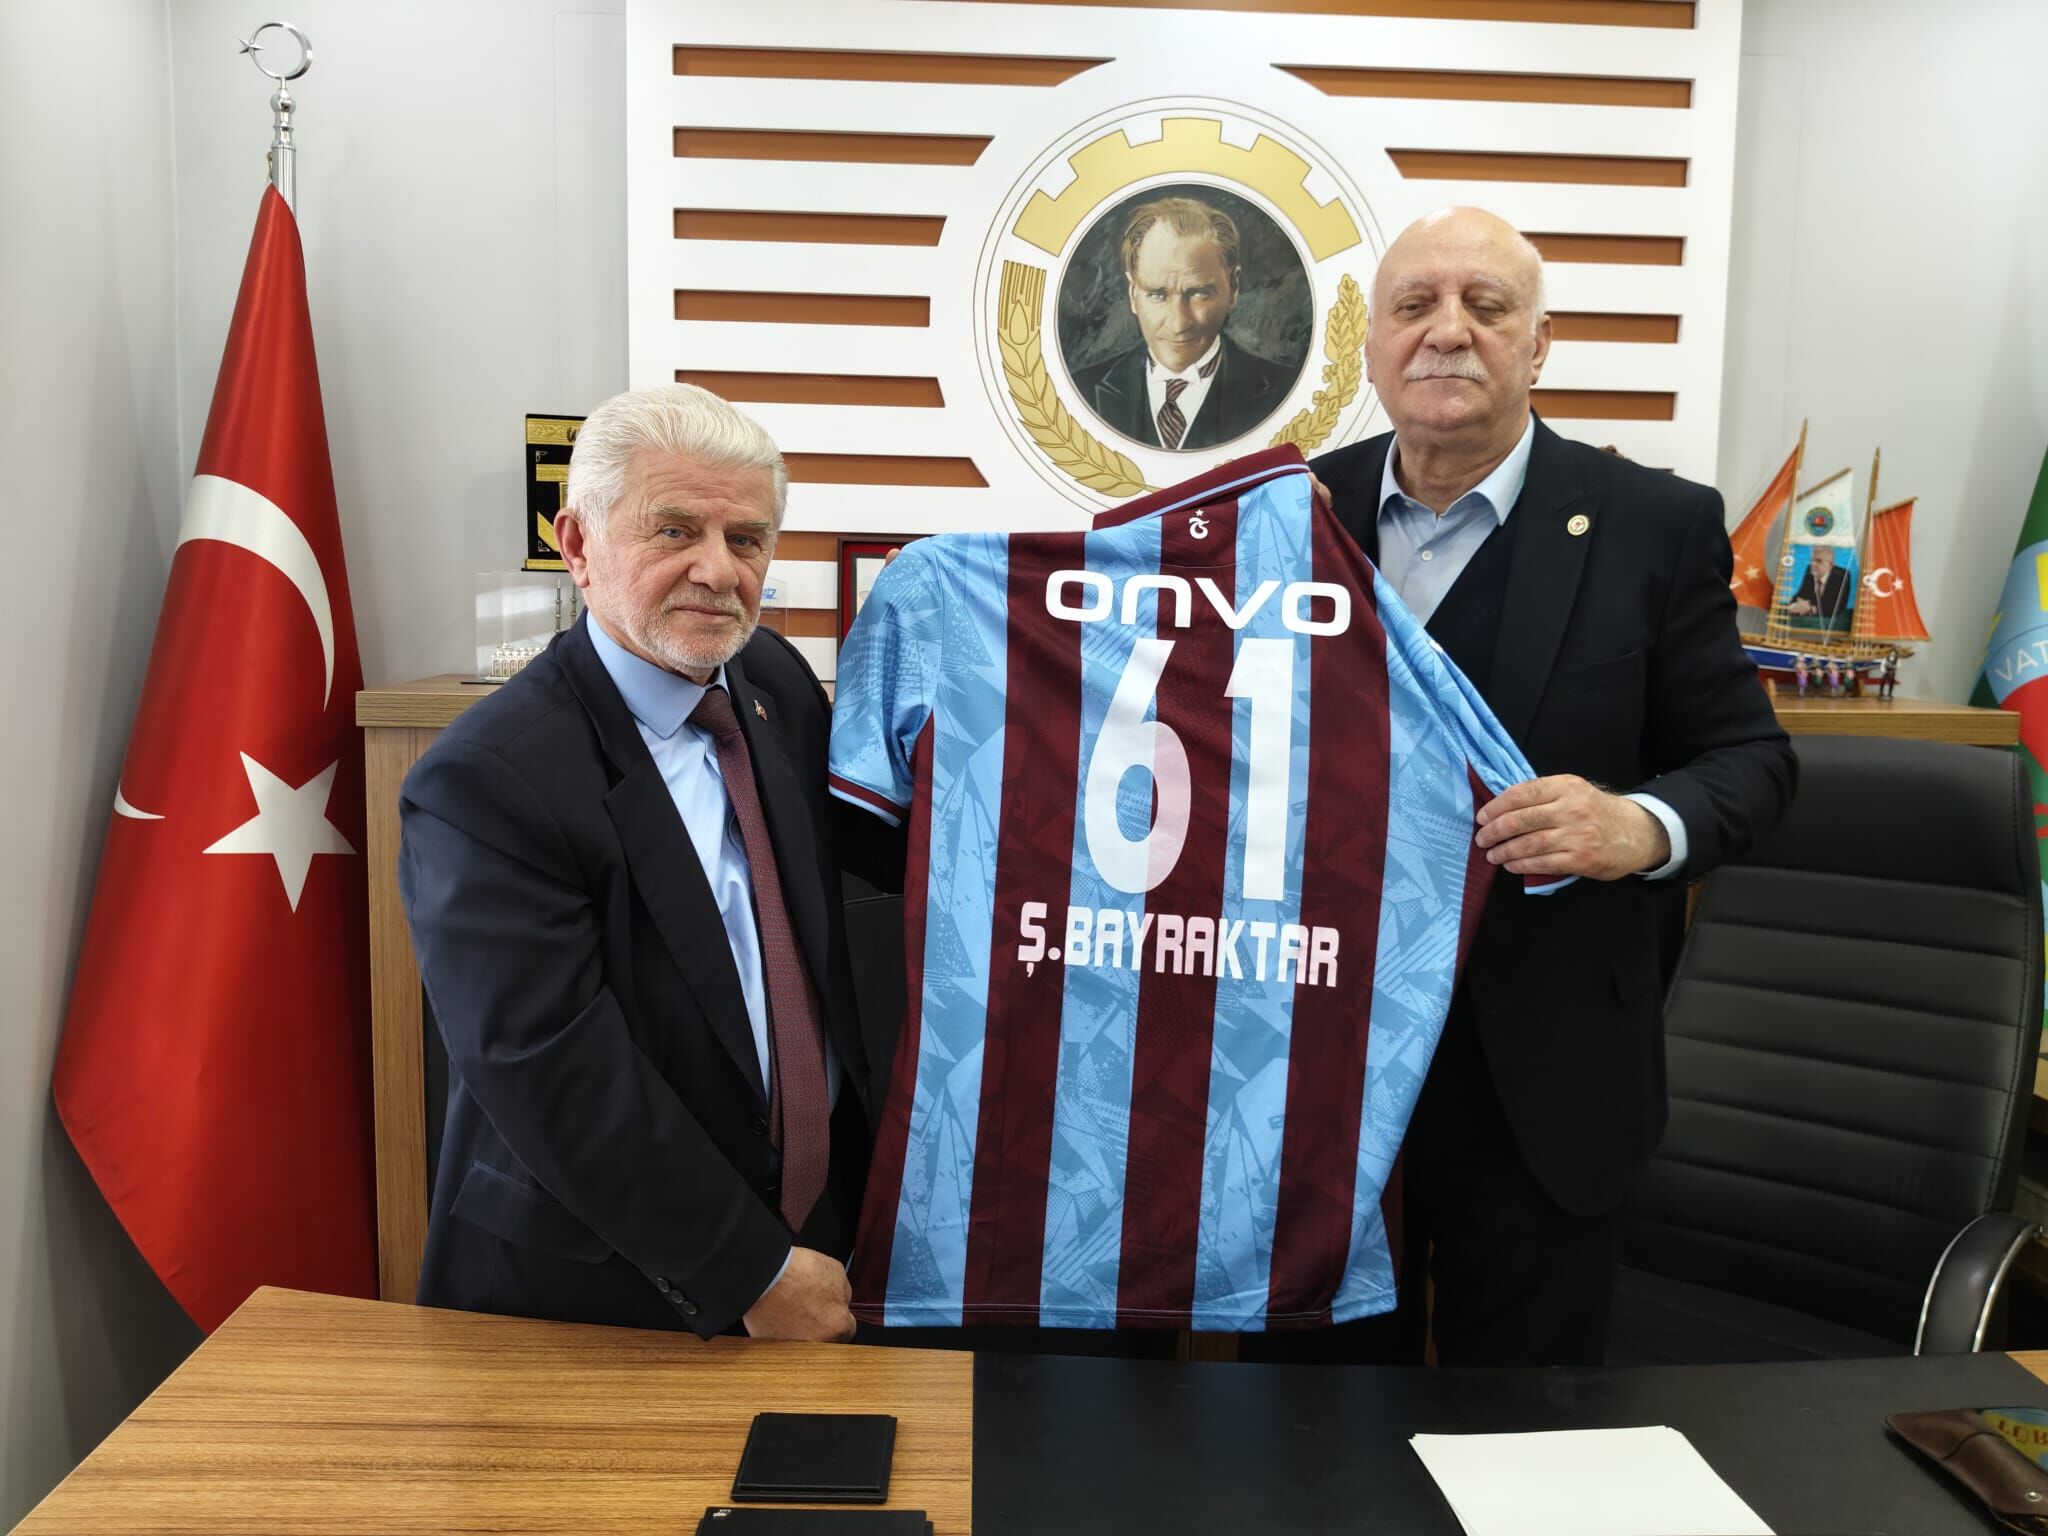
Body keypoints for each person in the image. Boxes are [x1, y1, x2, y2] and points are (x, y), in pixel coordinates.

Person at [1245, 206, 1796, 1368]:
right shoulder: (1285, 515)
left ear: (1537, 345)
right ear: (1369, 348)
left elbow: (1751, 762)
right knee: (1301, 1427)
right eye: (1413, 307)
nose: (1446, 332)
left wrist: (1636, 825)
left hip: (1544, 1083)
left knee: (1526, 1433)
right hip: (1313, 1075)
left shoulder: (1653, 525)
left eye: (1485, 307)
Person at [400, 384, 873, 1343]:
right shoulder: (486, 780)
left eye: (747, 539)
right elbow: (552, 1071)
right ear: (577, 545)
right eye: (675, 530)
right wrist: (750, 1270)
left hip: (816, 1256)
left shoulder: (775, 681)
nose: (718, 570)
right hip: (598, 1298)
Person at [1071, 195, 1295, 451]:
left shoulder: (1287, 391)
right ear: (1133, 295)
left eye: (1199, 293)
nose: (1178, 324)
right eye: (1158, 295)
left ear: (1233, 286)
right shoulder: (1079, 392)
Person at [1788, 545, 1853, 630]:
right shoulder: (1810, 572)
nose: (1813, 564)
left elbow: (1837, 607)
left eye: (1818, 561)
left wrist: (1810, 609)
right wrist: (1795, 605)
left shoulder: (1842, 577)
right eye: (1812, 560)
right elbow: (1799, 596)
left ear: (1830, 565)